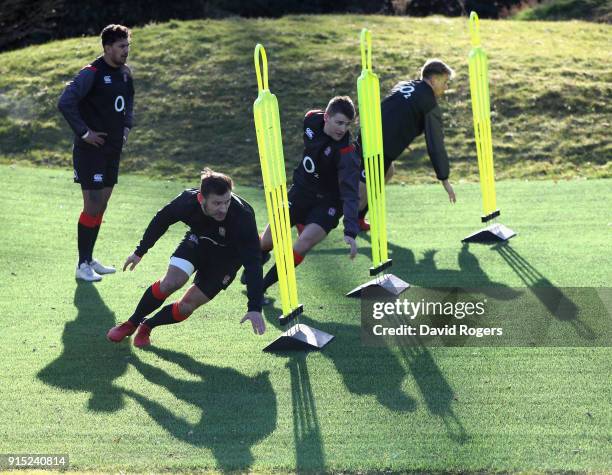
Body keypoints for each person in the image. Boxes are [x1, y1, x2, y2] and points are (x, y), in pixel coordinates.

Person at [107, 169, 266, 348]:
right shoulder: (187, 201)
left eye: (227, 202)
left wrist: (254, 307)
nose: (223, 208)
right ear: (201, 199)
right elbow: (162, 219)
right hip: (197, 243)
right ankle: (131, 323)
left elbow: (253, 262)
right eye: (217, 203)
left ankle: (148, 325)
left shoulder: (242, 216)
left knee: (187, 306)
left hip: (227, 260)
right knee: (171, 282)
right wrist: (139, 252)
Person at [251, 96, 360, 295]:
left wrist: (350, 231)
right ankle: (261, 256)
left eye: (347, 124)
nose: (343, 129)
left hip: (328, 203)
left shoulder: (347, 152)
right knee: (266, 241)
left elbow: (351, 195)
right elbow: (311, 116)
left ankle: (261, 288)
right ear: (326, 117)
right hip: (301, 191)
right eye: (339, 122)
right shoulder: (311, 120)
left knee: (304, 243)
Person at [58, 24, 135, 281]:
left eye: (127, 46)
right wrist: (84, 133)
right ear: (107, 48)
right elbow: (65, 102)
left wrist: (126, 127)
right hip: (90, 152)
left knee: (101, 206)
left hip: (112, 152)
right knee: (92, 206)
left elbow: (128, 104)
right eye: (121, 46)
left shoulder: (125, 74)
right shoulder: (91, 73)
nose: (126, 51)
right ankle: (82, 266)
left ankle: (90, 258)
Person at [357, 58, 456, 231]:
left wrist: (405, 134)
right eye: (445, 82)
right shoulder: (428, 102)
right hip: (379, 145)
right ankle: (318, 219)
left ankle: (357, 218)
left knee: (388, 172)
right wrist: (444, 179)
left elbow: (396, 111)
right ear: (433, 80)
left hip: (369, 132)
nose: (446, 88)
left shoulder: (405, 84)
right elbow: (435, 144)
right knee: (361, 192)